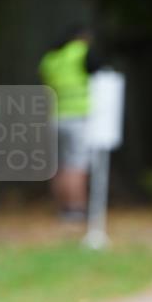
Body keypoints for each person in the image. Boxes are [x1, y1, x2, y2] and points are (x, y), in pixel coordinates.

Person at [38, 26, 101, 221]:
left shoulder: (51, 60)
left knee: (59, 165)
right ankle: (77, 209)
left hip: (54, 116)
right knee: (77, 164)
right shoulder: (81, 52)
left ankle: (62, 208)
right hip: (78, 117)